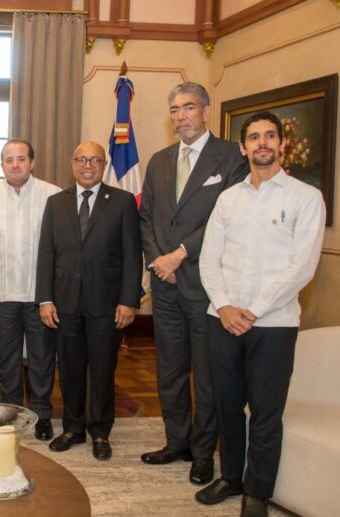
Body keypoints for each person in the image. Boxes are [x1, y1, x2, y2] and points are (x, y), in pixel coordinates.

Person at [195, 111, 325, 516]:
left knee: (266, 411)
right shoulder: (228, 198)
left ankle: (257, 492)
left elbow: (301, 267)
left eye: (270, 136)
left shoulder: (305, 198)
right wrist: (226, 306)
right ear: (243, 147)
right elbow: (208, 259)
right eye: (254, 137)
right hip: (223, 320)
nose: (262, 143)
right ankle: (232, 476)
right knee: (228, 406)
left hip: (273, 325)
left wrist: (251, 310)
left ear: (282, 144)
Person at [139, 82, 249, 484]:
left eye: (187, 107)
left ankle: (204, 454)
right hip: (165, 286)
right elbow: (146, 217)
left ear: (205, 110)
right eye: (174, 109)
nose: (180, 115)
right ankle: (177, 443)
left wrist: (180, 253)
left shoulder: (231, 158)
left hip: (207, 287)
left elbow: (226, 218)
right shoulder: (159, 160)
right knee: (169, 370)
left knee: (206, 376)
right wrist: (157, 260)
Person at [36, 141, 142, 460]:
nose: (87, 165)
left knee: (102, 369)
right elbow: (46, 254)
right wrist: (45, 299)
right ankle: (73, 427)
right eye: (81, 159)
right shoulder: (56, 202)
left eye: (95, 160)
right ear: (73, 163)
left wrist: (128, 300)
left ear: (103, 165)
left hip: (107, 304)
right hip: (65, 302)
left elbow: (132, 255)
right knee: (69, 369)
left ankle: (100, 431)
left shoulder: (122, 202)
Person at [0, 138, 60, 440]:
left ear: (32, 163)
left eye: (21, 159)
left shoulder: (53, 195)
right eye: (9, 160)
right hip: (1, 293)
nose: (15, 164)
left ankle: (41, 414)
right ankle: (9, 413)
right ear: (2, 165)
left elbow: (60, 249)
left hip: (41, 296)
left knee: (42, 359)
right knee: (7, 359)